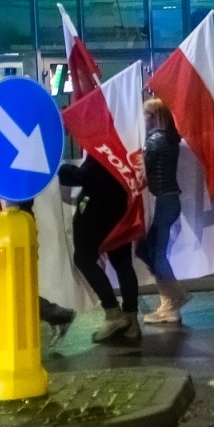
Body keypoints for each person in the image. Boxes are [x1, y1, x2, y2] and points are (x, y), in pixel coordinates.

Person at [59, 136, 141, 345]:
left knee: (84, 259)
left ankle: (113, 314)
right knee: (123, 264)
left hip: (98, 215)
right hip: (120, 214)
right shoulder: (114, 145)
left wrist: (60, 168)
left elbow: (82, 177)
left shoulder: (99, 150)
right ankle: (131, 320)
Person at [137, 98, 186, 325]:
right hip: (168, 200)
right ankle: (171, 300)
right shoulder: (168, 138)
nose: (142, 120)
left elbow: (141, 167)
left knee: (155, 254)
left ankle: (173, 300)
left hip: (163, 201)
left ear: (154, 116)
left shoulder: (155, 140)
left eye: (145, 115)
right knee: (150, 251)